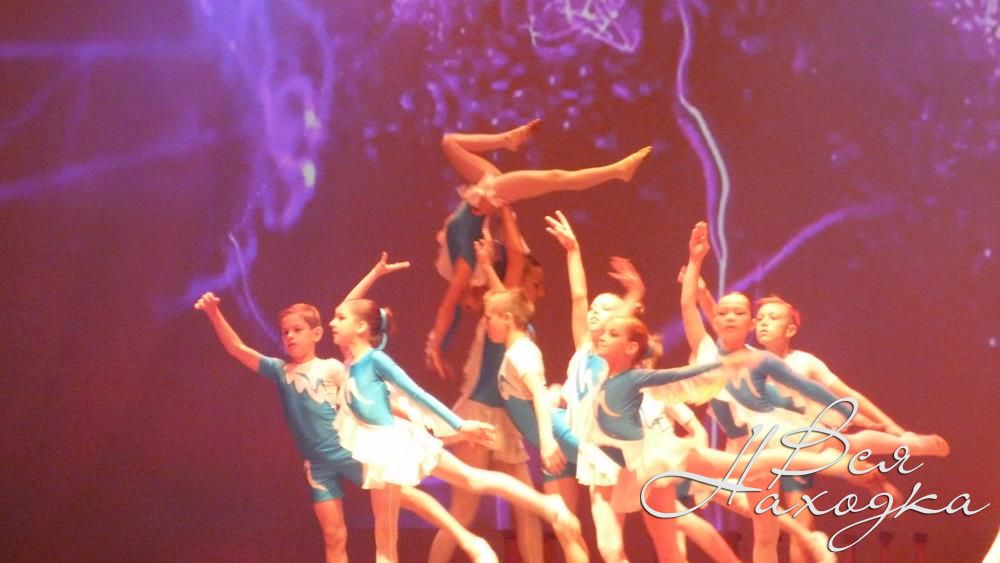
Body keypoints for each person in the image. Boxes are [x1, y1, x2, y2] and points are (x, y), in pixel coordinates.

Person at [193, 254, 498, 563]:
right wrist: (214, 313)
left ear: (317, 334)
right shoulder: (279, 371)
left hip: (348, 451)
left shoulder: (333, 368)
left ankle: (467, 538)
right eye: (285, 332)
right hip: (318, 464)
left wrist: (374, 274)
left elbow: (368, 390)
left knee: (405, 497)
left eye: (297, 329)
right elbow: (238, 349)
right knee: (334, 535)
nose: (290, 336)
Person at [330, 297, 589, 563]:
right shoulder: (350, 361)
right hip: (380, 448)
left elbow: (417, 393)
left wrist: (459, 425)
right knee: (386, 534)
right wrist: (371, 279)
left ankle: (544, 505)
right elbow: (352, 307)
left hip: (395, 445)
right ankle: (518, 521)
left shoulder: (375, 360)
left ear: (361, 327)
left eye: (340, 318)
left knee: (469, 480)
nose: (332, 323)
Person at [426, 121, 652, 379]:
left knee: (449, 142)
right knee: (555, 178)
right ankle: (617, 171)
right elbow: (448, 308)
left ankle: (507, 139)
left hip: (484, 191)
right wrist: (437, 345)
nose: (470, 303)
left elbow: (447, 307)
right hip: (490, 193)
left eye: (466, 304)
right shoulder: (467, 264)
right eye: (472, 307)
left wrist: (436, 344)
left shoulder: (462, 264)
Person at [428, 212, 547, 563]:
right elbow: (507, 281)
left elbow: (504, 293)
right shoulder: (497, 321)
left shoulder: (520, 328)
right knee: (462, 513)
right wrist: (506, 218)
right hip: (480, 414)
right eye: (535, 284)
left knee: (527, 508)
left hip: (506, 420)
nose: (540, 292)